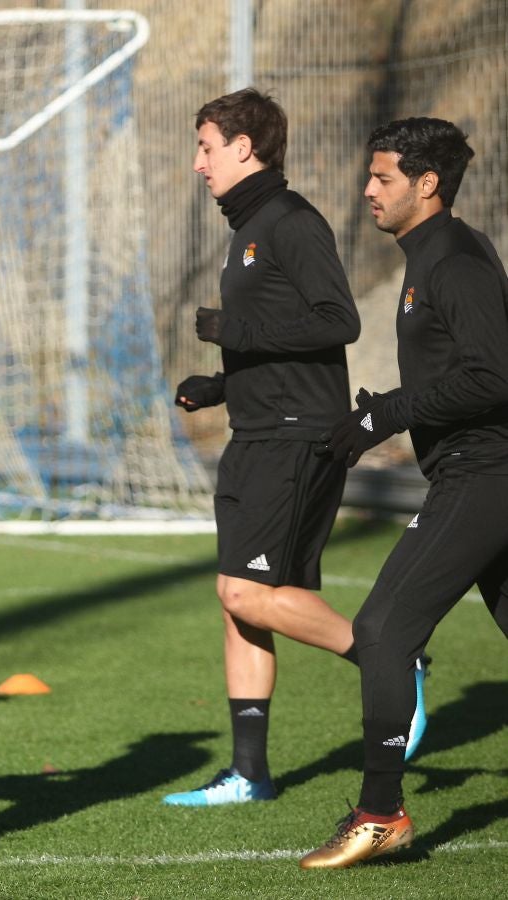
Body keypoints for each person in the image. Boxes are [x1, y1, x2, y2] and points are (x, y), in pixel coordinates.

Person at [165, 88, 419, 807]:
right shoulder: (248, 228)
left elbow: (338, 321)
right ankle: (249, 774)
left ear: (244, 148)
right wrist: (222, 386)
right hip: (256, 433)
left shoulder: (290, 221)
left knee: (245, 591)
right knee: (240, 603)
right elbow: (284, 342)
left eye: (207, 147)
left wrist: (238, 334)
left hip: (296, 437)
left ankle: (393, 663)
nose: (198, 163)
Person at [300, 118, 508, 868]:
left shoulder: (454, 261)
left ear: (427, 184)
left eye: (382, 177)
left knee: (384, 630)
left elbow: (493, 376)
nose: (368, 190)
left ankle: (381, 813)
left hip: (485, 474)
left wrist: (388, 411)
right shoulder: (432, 255)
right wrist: (381, 412)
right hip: (478, 471)